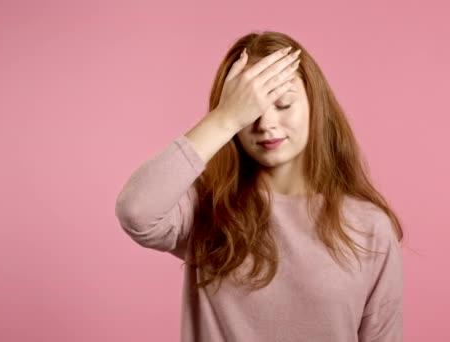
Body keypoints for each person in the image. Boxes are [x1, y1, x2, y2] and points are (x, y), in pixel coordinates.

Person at [115, 31, 404, 342]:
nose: (266, 124)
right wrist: (225, 118)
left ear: (315, 105)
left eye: (283, 104)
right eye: (250, 112)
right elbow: (136, 211)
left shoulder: (369, 226)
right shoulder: (208, 207)